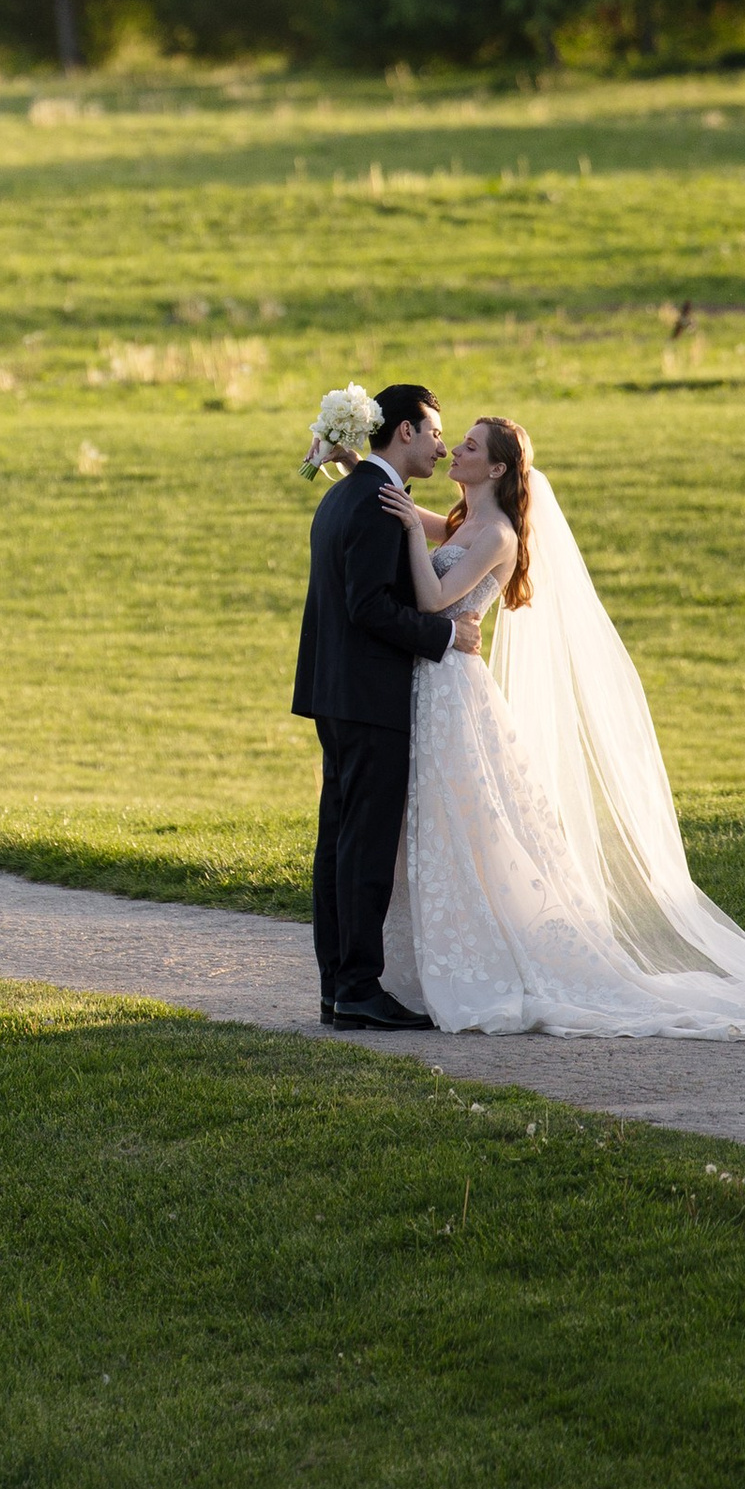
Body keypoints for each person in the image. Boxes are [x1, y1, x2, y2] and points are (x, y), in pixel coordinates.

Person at [372, 414, 745, 1036]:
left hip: (455, 689)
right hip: (437, 682)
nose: (453, 449)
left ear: (495, 468)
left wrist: (410, 526)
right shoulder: (467, 524)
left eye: (467, 446)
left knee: (475, 822)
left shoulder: (499, 536)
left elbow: (435, 600)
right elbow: (428, 532)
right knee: (450, 821)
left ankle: (501, 956)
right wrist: (357, 467)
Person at [291, 382, 483, 1030]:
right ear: (402, 430)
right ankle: (358, 987)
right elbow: (368, 606)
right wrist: (444, 634)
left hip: (333, 691)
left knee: (339, 844)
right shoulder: (375, 504)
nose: (439, 443)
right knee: (364, 847)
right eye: (433, 430)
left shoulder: (350, 493)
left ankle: (337, 986)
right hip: (369, 696)